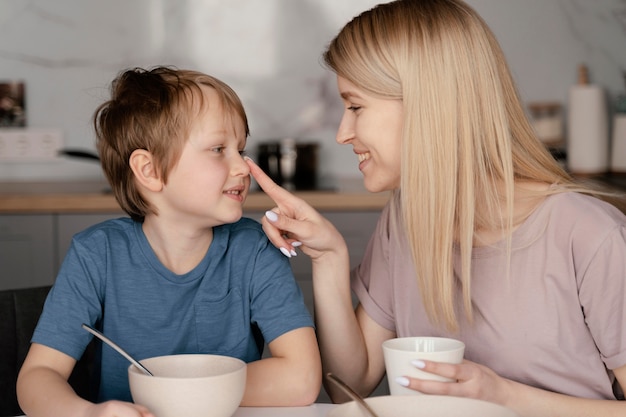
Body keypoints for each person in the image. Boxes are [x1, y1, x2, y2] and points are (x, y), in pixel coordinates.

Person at [244, 1, 626, 416]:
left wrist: (504, 396)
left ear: (427, 104)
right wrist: (330, 258)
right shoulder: (405, 219)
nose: (342, 133)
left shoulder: (589, 235)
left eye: (355, 106)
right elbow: (349, 385)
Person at [17, 66, 321, 417]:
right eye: (219, 148)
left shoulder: (254, 249)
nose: (243, 167)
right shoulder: (96, 253)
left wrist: (172, 389)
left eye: (241, 149)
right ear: (149, 170)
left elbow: (301, 379)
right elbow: (38, 377)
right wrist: (88, 414)